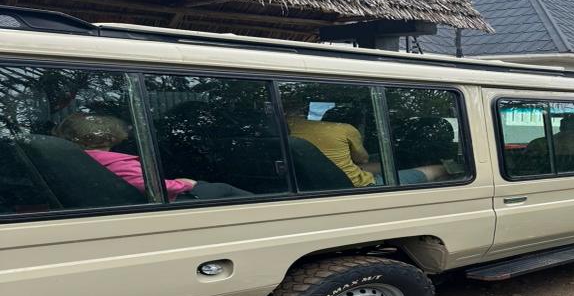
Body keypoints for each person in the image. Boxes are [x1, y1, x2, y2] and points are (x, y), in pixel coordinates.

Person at [54, 113, 250, 201]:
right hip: (153, 202)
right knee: (223, 189)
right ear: (112, 137)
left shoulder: (74, 158)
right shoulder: (114, 162)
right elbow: (150, 186)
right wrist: (184, 184)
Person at [287, 104, 447, 187]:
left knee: (388, 163)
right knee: (438, 169)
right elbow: (362, 160)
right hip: (355, 185)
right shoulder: (344, 129)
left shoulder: (285, 130)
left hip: (310, 179)